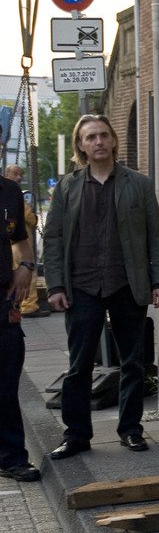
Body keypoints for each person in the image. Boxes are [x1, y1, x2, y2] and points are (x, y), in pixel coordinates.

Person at [43, 114, 159, 458]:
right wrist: (54, 285)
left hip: (128, 284)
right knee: (79, 366)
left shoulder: (138, 185)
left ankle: (130, 429)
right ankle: (76, 436)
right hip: (82, 286)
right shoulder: (67, 187)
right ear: (80, 146)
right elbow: (53, 239)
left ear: (113, 141)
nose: (98, 142)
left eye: (103, 135)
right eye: (90, 137)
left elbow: (154, 236)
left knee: (133, 362)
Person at [0, 169, 40, 482]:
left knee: (7, 381)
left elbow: (20, 243)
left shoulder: (10, 191)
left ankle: (11, 457)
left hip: (3, 301)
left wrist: (26, 266)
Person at [3, 164, 48, 318]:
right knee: (31, 276)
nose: (19, 178)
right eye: (15, 174)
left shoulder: (12, 193)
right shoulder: (16, 196)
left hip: (16, 246)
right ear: (7, 174)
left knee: (22, 275)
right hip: (17, 247)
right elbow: (29, 217)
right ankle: (29, 306)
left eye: (21, 174)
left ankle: (21, 304)